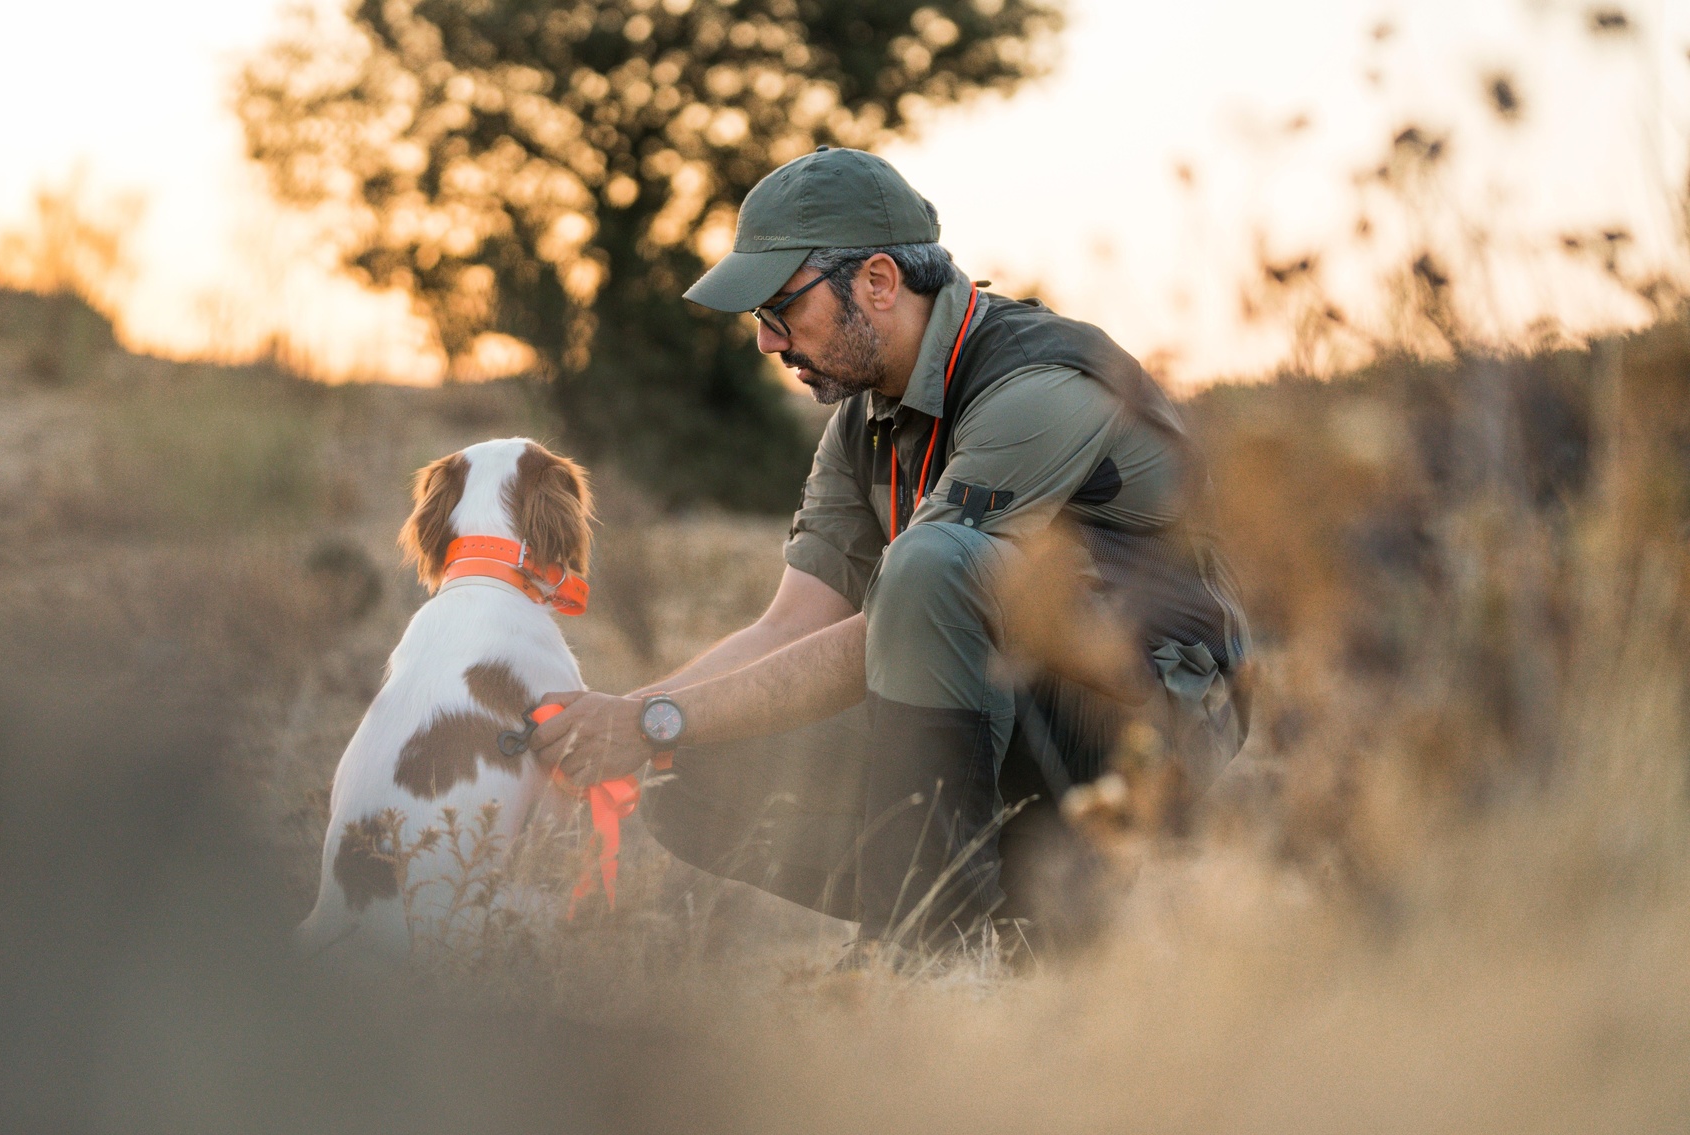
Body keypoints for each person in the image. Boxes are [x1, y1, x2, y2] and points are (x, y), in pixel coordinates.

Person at [530, 147, 1250, 961]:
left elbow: (903, 610)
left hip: (1148, 729)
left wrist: (657, 720)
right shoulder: (864, 416)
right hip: (1006, 712)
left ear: (877, 282)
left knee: (930, 563)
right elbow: (790, 626)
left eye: (780, 309)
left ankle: (929, 949)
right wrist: (618, 725)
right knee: (687, 774)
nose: (768, 343)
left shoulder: (1039, 384)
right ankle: (1010, 927)